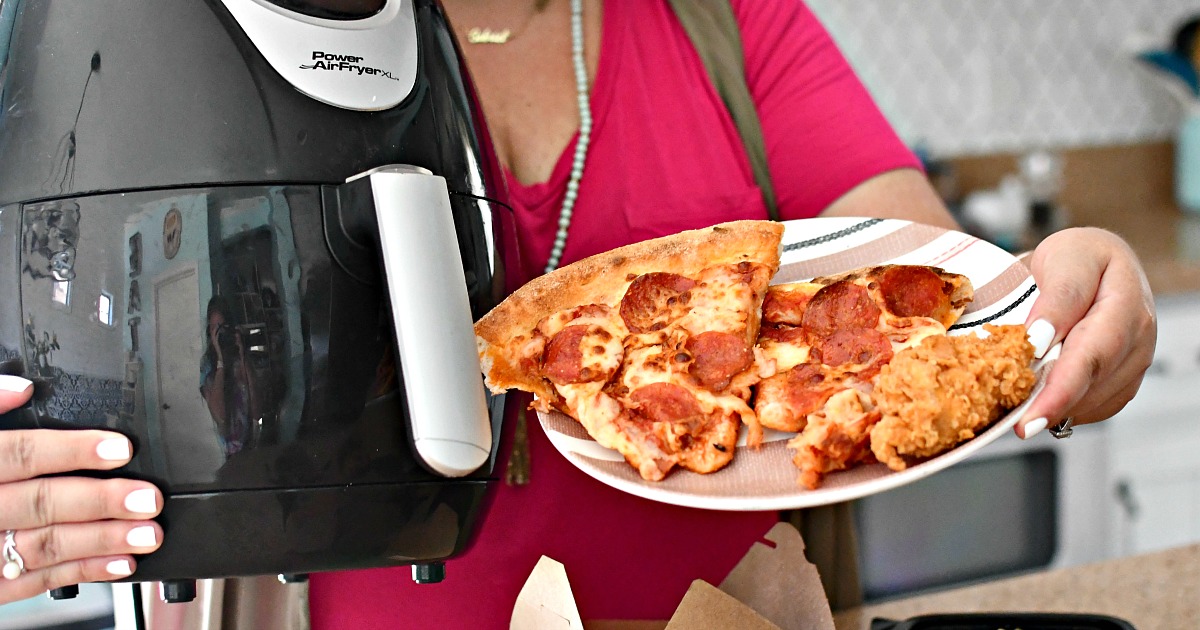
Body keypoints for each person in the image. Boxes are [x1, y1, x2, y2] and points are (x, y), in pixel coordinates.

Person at [0, 0, 1156, 624]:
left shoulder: (728, 20)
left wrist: (1072, 282)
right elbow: (71, 317)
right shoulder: (207, 36)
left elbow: (927, 284)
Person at [199, 296, 258, 458]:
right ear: (209, 333)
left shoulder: (240, 361)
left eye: (223, 327)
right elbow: (220, 417)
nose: (219, 333)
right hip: (227, 454)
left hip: (251, 446)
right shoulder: (207, 368)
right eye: (214, 328)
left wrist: (242, 353)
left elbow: (257, 410)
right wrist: (219, 359)